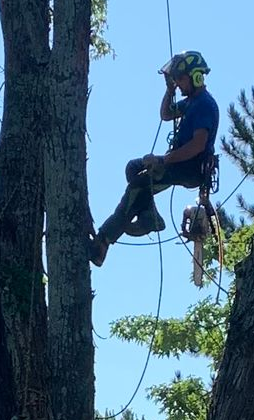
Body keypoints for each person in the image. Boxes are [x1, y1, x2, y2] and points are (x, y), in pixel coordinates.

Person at [89, 50, 218, 266]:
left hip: (191, 167)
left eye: (181, 79)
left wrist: (163, 161)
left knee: (139, 184)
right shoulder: (191, 102)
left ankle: (103, 241)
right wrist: (169, 91)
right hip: (179, 161)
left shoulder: (205, 104)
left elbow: (198, 145)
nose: (178, 84)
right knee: (133, 168)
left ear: (196, 77)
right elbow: (166, 114)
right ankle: (150, 217)